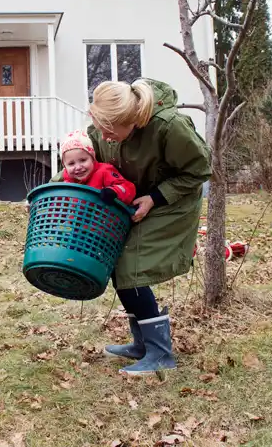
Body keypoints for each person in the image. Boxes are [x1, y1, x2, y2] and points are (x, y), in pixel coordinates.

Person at [81, 78, 211, 375]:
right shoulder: (106, 128)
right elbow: (95, 163)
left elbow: (199, 170)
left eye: (109, 131)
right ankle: (142, 344)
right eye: (99, 128)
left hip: (172, 202)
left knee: (131, 264)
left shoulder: (170, 127)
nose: (102, 136)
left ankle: (161, 354)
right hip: (133, 200)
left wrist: (154, 198)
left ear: (133, 122)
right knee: (119, 264)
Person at [58, 129, 136, 205]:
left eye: (83, 160)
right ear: (65, 166)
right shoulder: (66, 183)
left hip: (103, 216)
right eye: (71, 164)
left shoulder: (104, 171)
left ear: (92, 158)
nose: (78, 167)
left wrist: (114, 191)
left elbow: (128, 188)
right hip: (78, 217)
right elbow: (60, 208)